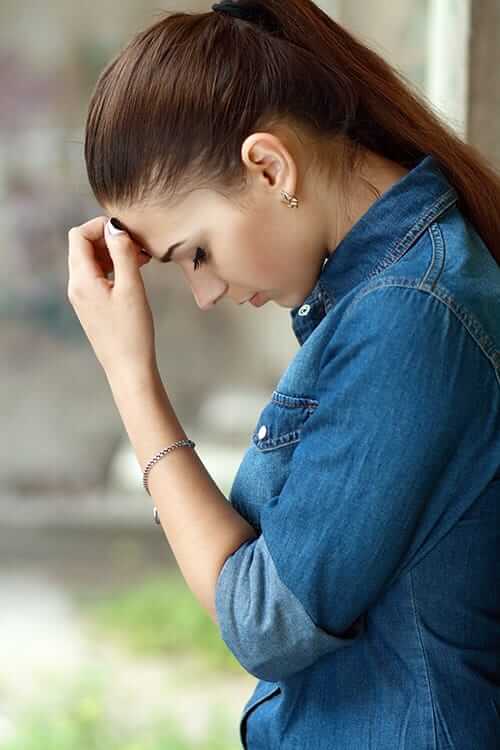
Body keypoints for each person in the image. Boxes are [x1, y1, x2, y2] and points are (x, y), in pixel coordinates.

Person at [79, 1, 500, 747]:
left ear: (269, 166)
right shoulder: (388, 295)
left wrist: (130, 378)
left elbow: (265, 620)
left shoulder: (409, 317)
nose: (204, 294)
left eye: (196, 253)